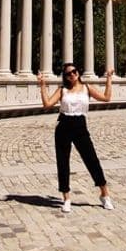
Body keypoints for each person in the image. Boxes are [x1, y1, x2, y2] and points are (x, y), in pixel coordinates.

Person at [38, 62, 114, 213]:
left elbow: (106, 98)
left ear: (78, 72)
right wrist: (42, 85)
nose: (72, 74)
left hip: (80, 126)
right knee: (63, 162)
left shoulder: (86, 88)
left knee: (92, 160)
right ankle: (66, 198)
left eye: (74, 71)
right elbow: (47, 104)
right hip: (64, 126)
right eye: (68, 73)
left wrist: (109, 79)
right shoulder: (62, 90)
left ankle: (105, 194)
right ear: (65, 77)